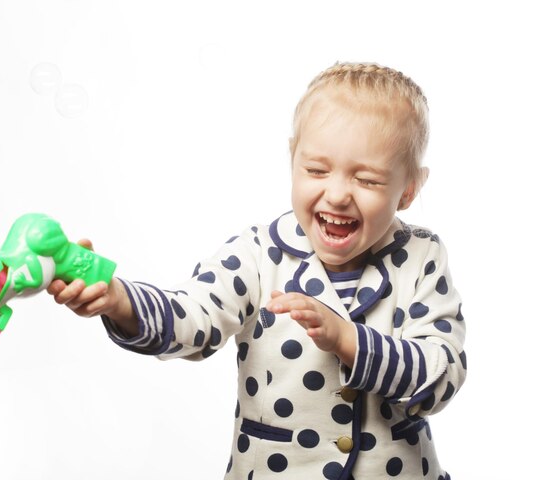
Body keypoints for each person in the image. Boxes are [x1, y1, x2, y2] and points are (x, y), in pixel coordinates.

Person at [48, 62, 466, 480]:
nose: (337, 194)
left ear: (409, 189)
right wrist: (120, 301)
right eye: (317, 170)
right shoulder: (258, 253)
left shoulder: (421, 257)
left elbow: (441, 372)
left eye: (368, 180)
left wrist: (348, 339)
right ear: (293, 160)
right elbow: (192, 317)